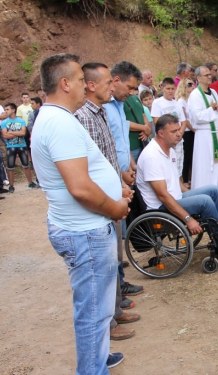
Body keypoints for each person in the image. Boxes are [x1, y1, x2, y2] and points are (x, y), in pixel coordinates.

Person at [31, 53, 129, 373]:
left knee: (98, 310)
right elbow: (80, 187)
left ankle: (97, 358)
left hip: (83, 229)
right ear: (65, 84)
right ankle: (92, 369)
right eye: (77, 81)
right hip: (84, 232)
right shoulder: (59, 123)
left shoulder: (56, 118)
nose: (83, 89)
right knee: (92, 311)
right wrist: (115, 207)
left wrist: (116, 187)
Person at [75, 62, 141, 342]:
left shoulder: (102, 111)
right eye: (107, 83)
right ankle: (109, 323)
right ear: (92, 85)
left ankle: (114, 312)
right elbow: (92, 164)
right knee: (103, 264)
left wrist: (122, 182)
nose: (111, 88)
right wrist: (116, 189)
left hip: (114, 190)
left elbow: (110, 153)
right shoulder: (85, 116)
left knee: (114, 257)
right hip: (102, 200)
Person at [136, 113, 218, 262]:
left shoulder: (169, 150)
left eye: (178, 130)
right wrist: (188, 219)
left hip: (175, 198)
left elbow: (176, 183)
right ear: (161, 134)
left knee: (213, 191)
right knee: (204, 201)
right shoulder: (152, 156)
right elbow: (162, 195)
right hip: (160, 207)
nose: (179, 134)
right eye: (173, 132)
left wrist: (192, 196)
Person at [103, 62, 145, 300]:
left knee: (119, 229)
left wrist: (130, 163)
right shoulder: (104, 108)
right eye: (129, 87)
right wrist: (120, 174)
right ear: (115, 80)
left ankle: (120, 280)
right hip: (112, 179)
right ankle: (117, 285)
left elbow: (121, 140)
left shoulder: (119, 105)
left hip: (122, 174)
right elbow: (105, 147)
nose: (132, 92)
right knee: (113, 232)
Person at [189, 66, 218, 198]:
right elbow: (197, 116)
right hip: (205, 135)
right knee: (206, 164)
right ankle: (205, 191)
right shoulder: (195, 95)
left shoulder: (213, 92)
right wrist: (212, 109)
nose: (210, 76)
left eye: (210, 74)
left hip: (216, 133)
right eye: (206, 75)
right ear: (198, 78)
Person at [151, 77, 188, 179]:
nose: (170, 91)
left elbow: (183, 121)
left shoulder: (177, 104)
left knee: (178, 167)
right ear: (162, 88)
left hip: (178, 141)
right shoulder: (157, 103)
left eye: (172, 88)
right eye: (168, 89)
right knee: (167, 169)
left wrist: (179, 134)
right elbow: (157, 122)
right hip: (165, 142)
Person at [1, 103, 36, 192]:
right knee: (10, 167)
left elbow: (23, 133)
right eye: (5, 109)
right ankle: (11, 186)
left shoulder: (21, 121)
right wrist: (17, 132)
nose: (6, 111)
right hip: (10, 146)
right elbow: (4, 135)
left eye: (7, 109)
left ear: (13, 110)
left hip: (22, 145)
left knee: (26, 165)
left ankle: (30, 182)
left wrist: (11, 133)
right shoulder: (4, 122)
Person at [175, 77, 197, 184]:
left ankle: (192, 178)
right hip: (187, 132)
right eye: (189, 84)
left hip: (192, 131)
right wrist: (194, 130)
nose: (192, 86)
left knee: (192, 156)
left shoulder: (190, 100)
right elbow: (184, 119)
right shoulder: (181, 101)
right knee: (186, 157)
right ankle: (184, 180)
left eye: (193, 84)